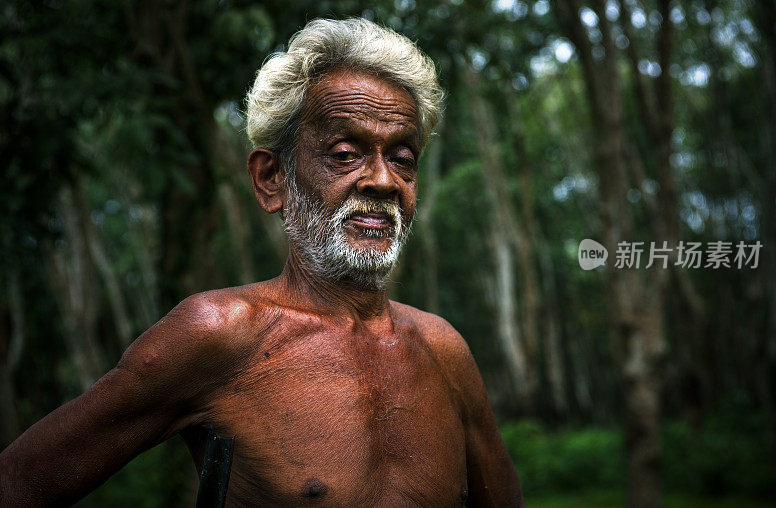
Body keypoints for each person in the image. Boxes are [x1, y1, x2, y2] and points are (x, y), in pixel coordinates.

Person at [0, 18, 523, 506]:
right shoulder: (219, 335)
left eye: (403, 159)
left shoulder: (442, 351)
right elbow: (21, 481)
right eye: (345, 154)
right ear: (271, 179)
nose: (382, 181)